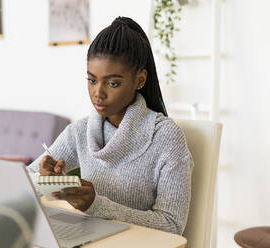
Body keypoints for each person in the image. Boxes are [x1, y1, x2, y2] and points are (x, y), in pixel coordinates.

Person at [27, 16, 193, 235]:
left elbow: (172, 225)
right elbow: (28, 177)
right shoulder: (80, 131)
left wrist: (97, 205)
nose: (98, 93)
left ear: (140, 80)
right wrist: (43, 179)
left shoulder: (166, 137)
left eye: (113, 83)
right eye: (92, 80)